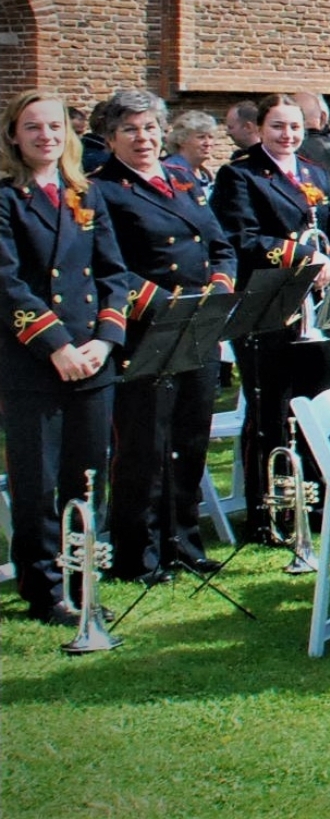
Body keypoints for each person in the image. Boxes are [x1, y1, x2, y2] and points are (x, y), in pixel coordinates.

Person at [1, 90, 136, 625]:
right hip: (34, 359)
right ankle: (44, 587)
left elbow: (113, 274)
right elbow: (7, 284)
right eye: (33, 127)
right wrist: (56, 345)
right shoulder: (7, 198)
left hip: (92, 357)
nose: (46, 136)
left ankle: (83, 577)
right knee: (37, 480)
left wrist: (104, 340)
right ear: (14, 136)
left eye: (55, 126)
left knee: (87, 476)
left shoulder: (86, 193)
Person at [91, 88, 236, 584]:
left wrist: (220, 288)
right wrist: (161, 305)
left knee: (190, 438)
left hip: (199, 323)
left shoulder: (181, 179)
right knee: (144, 444)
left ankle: (183, 542)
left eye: (150, 128)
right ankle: (138, 554)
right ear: (110, 139)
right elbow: (107, 266)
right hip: (146, 328)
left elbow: (219, 244)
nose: (142, 138)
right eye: (129, 130)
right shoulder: (102, 190)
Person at [210, 93, 330, 538]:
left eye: (294, 127)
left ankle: (312, 504)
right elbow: (241, 238)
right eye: (277, 126)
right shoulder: (240, 174)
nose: (287, 135)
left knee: (312, 406)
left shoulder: (313, 171)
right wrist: (304, 256)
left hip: (314, 306)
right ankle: (269, 514)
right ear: (258, 129)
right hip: (267, 307)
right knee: (270, 409)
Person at [162, 110, 221, 201]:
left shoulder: (205, 174)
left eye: (211, 137)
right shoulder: (171, 171)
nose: (208, 143)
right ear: (182, 140)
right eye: (201, 137)